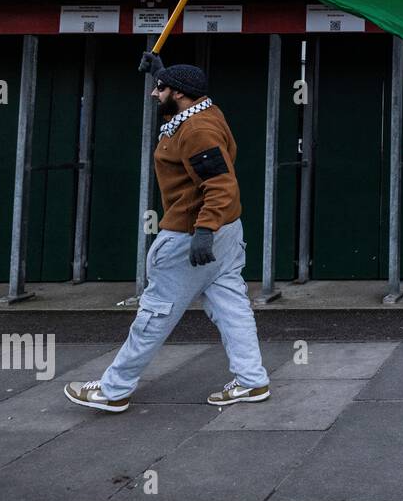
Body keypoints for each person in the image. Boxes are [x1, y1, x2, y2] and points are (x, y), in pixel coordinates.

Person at [64, 52, 270, 412]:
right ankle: (252, 382)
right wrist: (163, 74)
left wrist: (203, 230)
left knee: (154, 313)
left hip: (192, 235)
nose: (153, 93)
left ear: (178, 93)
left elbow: (220, 184)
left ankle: (114, 390)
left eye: (160, 89)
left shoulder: (196, 130)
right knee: (232, 306)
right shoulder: (205, 112)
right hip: (226, 231)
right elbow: (183, 108)